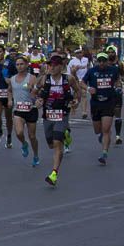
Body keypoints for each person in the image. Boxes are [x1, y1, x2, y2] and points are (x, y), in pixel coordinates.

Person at [36, 54, 83, 186]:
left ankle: (54, 173)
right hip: (48, 115)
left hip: (62, 114)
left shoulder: (69, 79)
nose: (51, 67)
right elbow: (34, 91)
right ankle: (66, 135)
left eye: (54, 65)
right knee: (51, 144)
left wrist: (76, 102)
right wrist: (38, 100)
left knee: (57, 143)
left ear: (61, 66)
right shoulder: (44, 78)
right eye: (49, 65)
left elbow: (78, 91)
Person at [84, 52, 121, 165]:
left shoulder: (113, 70)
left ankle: (104, 153)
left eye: (103, 61)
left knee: (106, 129)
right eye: (99, 61)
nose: (101, 63)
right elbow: (82, 82)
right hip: (96, 103)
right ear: (96, 61)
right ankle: (102, 135)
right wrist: (88, 88)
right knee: (97, 130)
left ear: (107, 61)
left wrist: (118, 87)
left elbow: (118, 80)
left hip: (109, 102)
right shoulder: (91, 71)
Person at [10, 55, 41, 167]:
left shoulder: (32, 78)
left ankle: (36, 155)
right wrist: (9, 100)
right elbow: (9, 91)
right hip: (18, 109)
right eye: (17, 64)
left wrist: (32, 90)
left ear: (27, 65)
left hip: (31, 109)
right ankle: (24, 143)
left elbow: (37, 92)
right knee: (19, 132)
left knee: (32, 136)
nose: (19, 66)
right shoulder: (12, 79)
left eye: (21, 64)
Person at [0, 44, 15, 149]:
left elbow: (16, 78)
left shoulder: (11, 64)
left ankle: (9, 135)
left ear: (4, 52)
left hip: (8, 92)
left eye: (0, 52)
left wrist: (10, 81)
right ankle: (0, 131)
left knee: (8, 117)